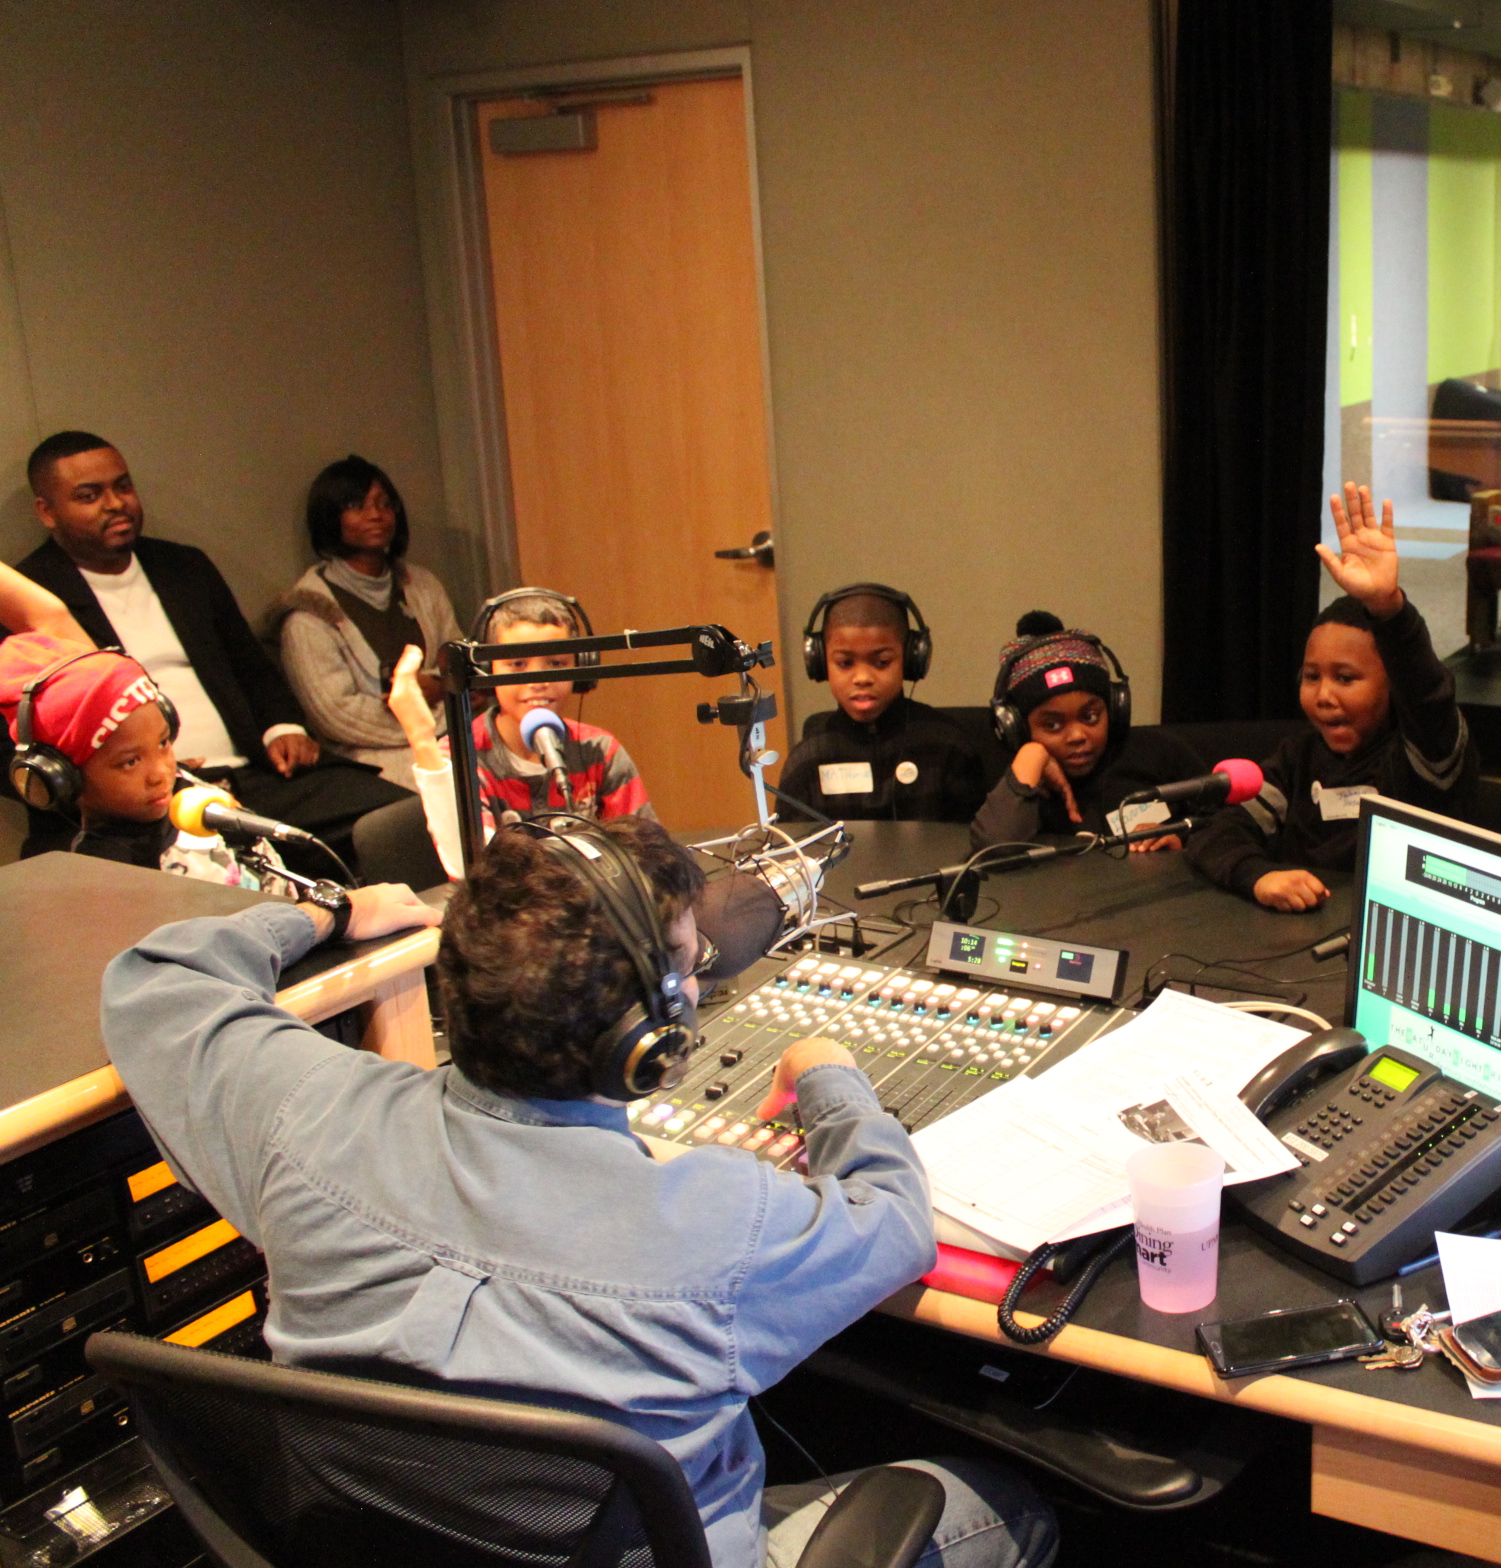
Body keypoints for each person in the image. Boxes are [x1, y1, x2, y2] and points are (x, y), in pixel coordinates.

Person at [99, 815, 1057, 1567]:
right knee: (1008, 1507)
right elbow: (894, 1223)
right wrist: (831, 1074)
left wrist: (335, 913)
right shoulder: (720, 1227)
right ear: (650, 1045)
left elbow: (157, 977)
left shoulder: (304, 1118)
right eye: (686, 966)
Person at [13, 431, 410, 862]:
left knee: (400, 819)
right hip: (143, 804)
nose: (115, 504)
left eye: (123, 487)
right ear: (47, 512)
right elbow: (15, 750)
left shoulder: (184, 567)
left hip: (255, 774)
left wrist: (284, 727)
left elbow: (250, 665)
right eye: (89, 496)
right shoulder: (30, 602)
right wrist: (139, 777)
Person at [1186, 482, 1476, 910]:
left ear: (1391, 685)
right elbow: (1219, 830)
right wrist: (1259, 875)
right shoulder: (1297, 759)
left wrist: (1388, 608)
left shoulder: (1422, 758)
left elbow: (1428, 696)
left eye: (1345, 678)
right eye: (1310, 676)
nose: (1323, 695)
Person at [0, 633, 292, 891]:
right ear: (64, 779)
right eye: (130, 762)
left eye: (163, 743)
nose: (161, 773)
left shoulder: (191, 795)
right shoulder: (102, 876)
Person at [266, 455, 465, 789]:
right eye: (358, 506)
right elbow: (335, 716)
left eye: (385, 505)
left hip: (451, 738)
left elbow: (459, 663)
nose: (376, 515)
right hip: (367, 760)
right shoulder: (307, 613)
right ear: (331, 517)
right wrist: (429, 715)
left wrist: (438, 687)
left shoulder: (423, 586)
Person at [970, 614, 1204, 850]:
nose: (1077, 736)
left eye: (1090, 717)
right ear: (1017, 728)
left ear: (1113, 709)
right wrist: (1032, 755)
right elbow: (991, 853)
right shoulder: (1020, 778)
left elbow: (1230, 824)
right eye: (1052, 725)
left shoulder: (1159, 754)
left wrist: (1182, 845)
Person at [775, 585, 985, 822]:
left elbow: (974, 845)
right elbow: (791, 854)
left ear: (910, 658)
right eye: (845, 663)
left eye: (882, 662)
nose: (862, 678)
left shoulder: (948, 746)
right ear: (821, 662)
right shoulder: (808, 761)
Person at [466, 589, 654, 830]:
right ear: (487, 668)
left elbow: (647, 851)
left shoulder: (599, 750)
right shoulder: (463, 757)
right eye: (517, 664)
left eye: (556, 664)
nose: (538, 682)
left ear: (581, 666)